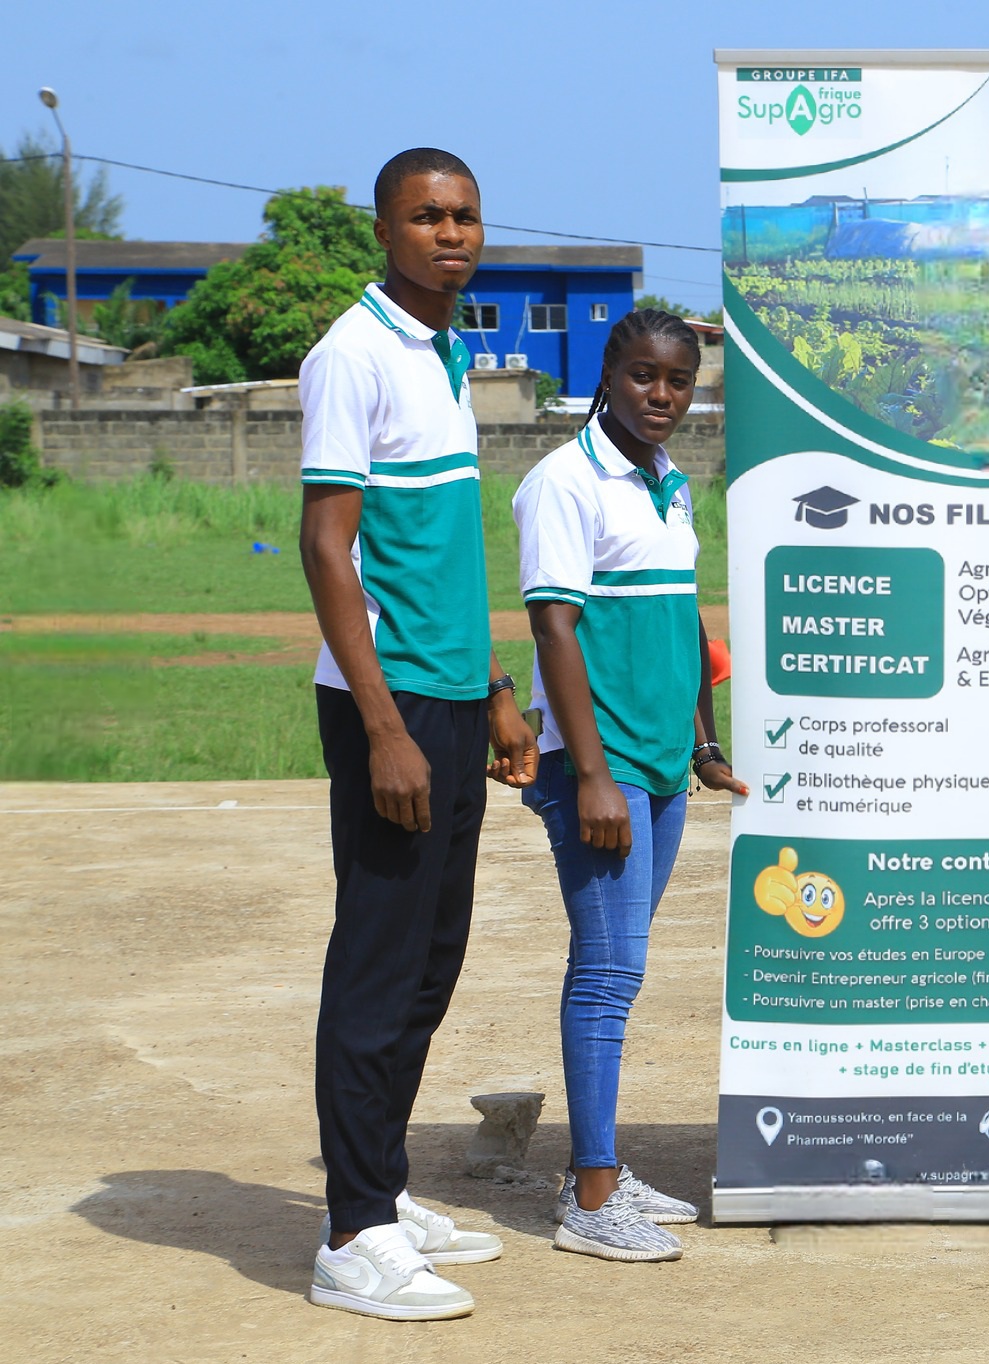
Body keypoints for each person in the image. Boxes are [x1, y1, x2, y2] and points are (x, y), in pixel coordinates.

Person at [300, 147, 538, 1321]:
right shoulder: (352, 353)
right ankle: (351, 1235)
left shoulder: (445, 352)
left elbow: (439, 554)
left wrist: (491, 687)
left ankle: (381, 1188)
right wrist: (385, 727)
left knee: (431, 960)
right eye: (426, 216)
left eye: (465, 216)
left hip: (449, 695)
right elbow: (325, 545)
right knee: (378, 963)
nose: (450, 233)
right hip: (386, 707)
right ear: (384, 230)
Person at [513, 308, 748, 1261]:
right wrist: (593, 774)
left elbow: (682, 619)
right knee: (607, 973)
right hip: (598, 771)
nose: (662, 394)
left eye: (679, 380)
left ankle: (600, 1166)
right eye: (644, 375)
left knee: (621, 965)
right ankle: (592, 1193)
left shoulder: (669, 481)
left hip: (656, 767)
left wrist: (704, 747)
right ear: (608, 374)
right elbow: (554, 627)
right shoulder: (564, 482)